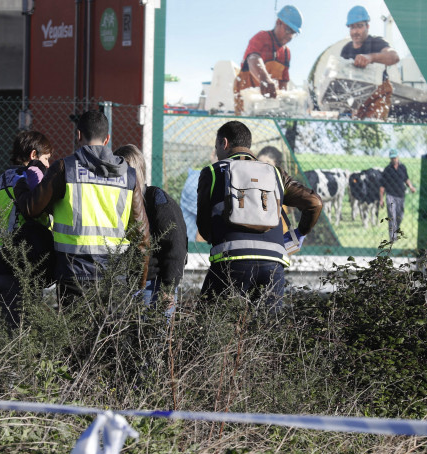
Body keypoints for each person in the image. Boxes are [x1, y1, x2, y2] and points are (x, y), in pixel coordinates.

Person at [15, 110, 150, 306]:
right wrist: (138, 281)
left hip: (73, 277)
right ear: (107, 139)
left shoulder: (64, 169)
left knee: (76, 336)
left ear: (78, 135)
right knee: (109, 336)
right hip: (114, 277)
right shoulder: (128, 176)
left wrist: (21, 185)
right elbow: (142, 234)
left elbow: (31, 208)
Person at [197, 121, 323, 311]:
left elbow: (204, 228)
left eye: (216, 147)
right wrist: (299, 234)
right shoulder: (275, 173)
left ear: (224, 143)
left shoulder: (213, 172)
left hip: (230, 259)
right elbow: (314, 203)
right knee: (268, 330)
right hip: (273, 263)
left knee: (209, 324)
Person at [0, 130, 54, 331]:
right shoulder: (25, 178)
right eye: (46, 159)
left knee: (2, 338)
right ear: (33, 155)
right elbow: (36, 211)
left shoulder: (0, 181)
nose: (48, 165)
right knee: (21, 340)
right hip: (12, 267)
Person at [115, 144, 186, 315]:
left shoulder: (156, 199)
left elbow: (175, 244)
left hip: (154, 285)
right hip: (127, 283)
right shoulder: (120, 201)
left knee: (153, 338)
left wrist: (168, 287)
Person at [233, 5, 302, 115]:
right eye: (288, 29)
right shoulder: (261, 37)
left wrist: (285, 103)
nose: (289, 36)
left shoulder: (286, 53)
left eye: (293, 33)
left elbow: (283, 83)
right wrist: (264, 79)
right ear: (278, 22)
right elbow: (253, 59)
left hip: (264, 103)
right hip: (246, 98)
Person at [341, 5, 399, 120]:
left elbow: (394, 57)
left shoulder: (376, 42)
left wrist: (371, 57)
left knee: (374, 127)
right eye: (352, 27)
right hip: (355, 95)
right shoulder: (346, 50)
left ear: (367, 26)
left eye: (359, 26)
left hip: (378, 94)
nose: (356, 31)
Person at [379, 148, 416, 242]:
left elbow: (406, 179)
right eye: (392, 158)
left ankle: (396, 229)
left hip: (401, 195)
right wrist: (381, 199)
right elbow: (382, 185)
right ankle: (392, 238)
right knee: (392, 216)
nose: (393, 160)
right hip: (390, 195)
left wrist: (411, 187)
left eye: (395, 158)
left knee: (400, 216)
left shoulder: (403, 167)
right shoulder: (387, 170)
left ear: (398, 157)